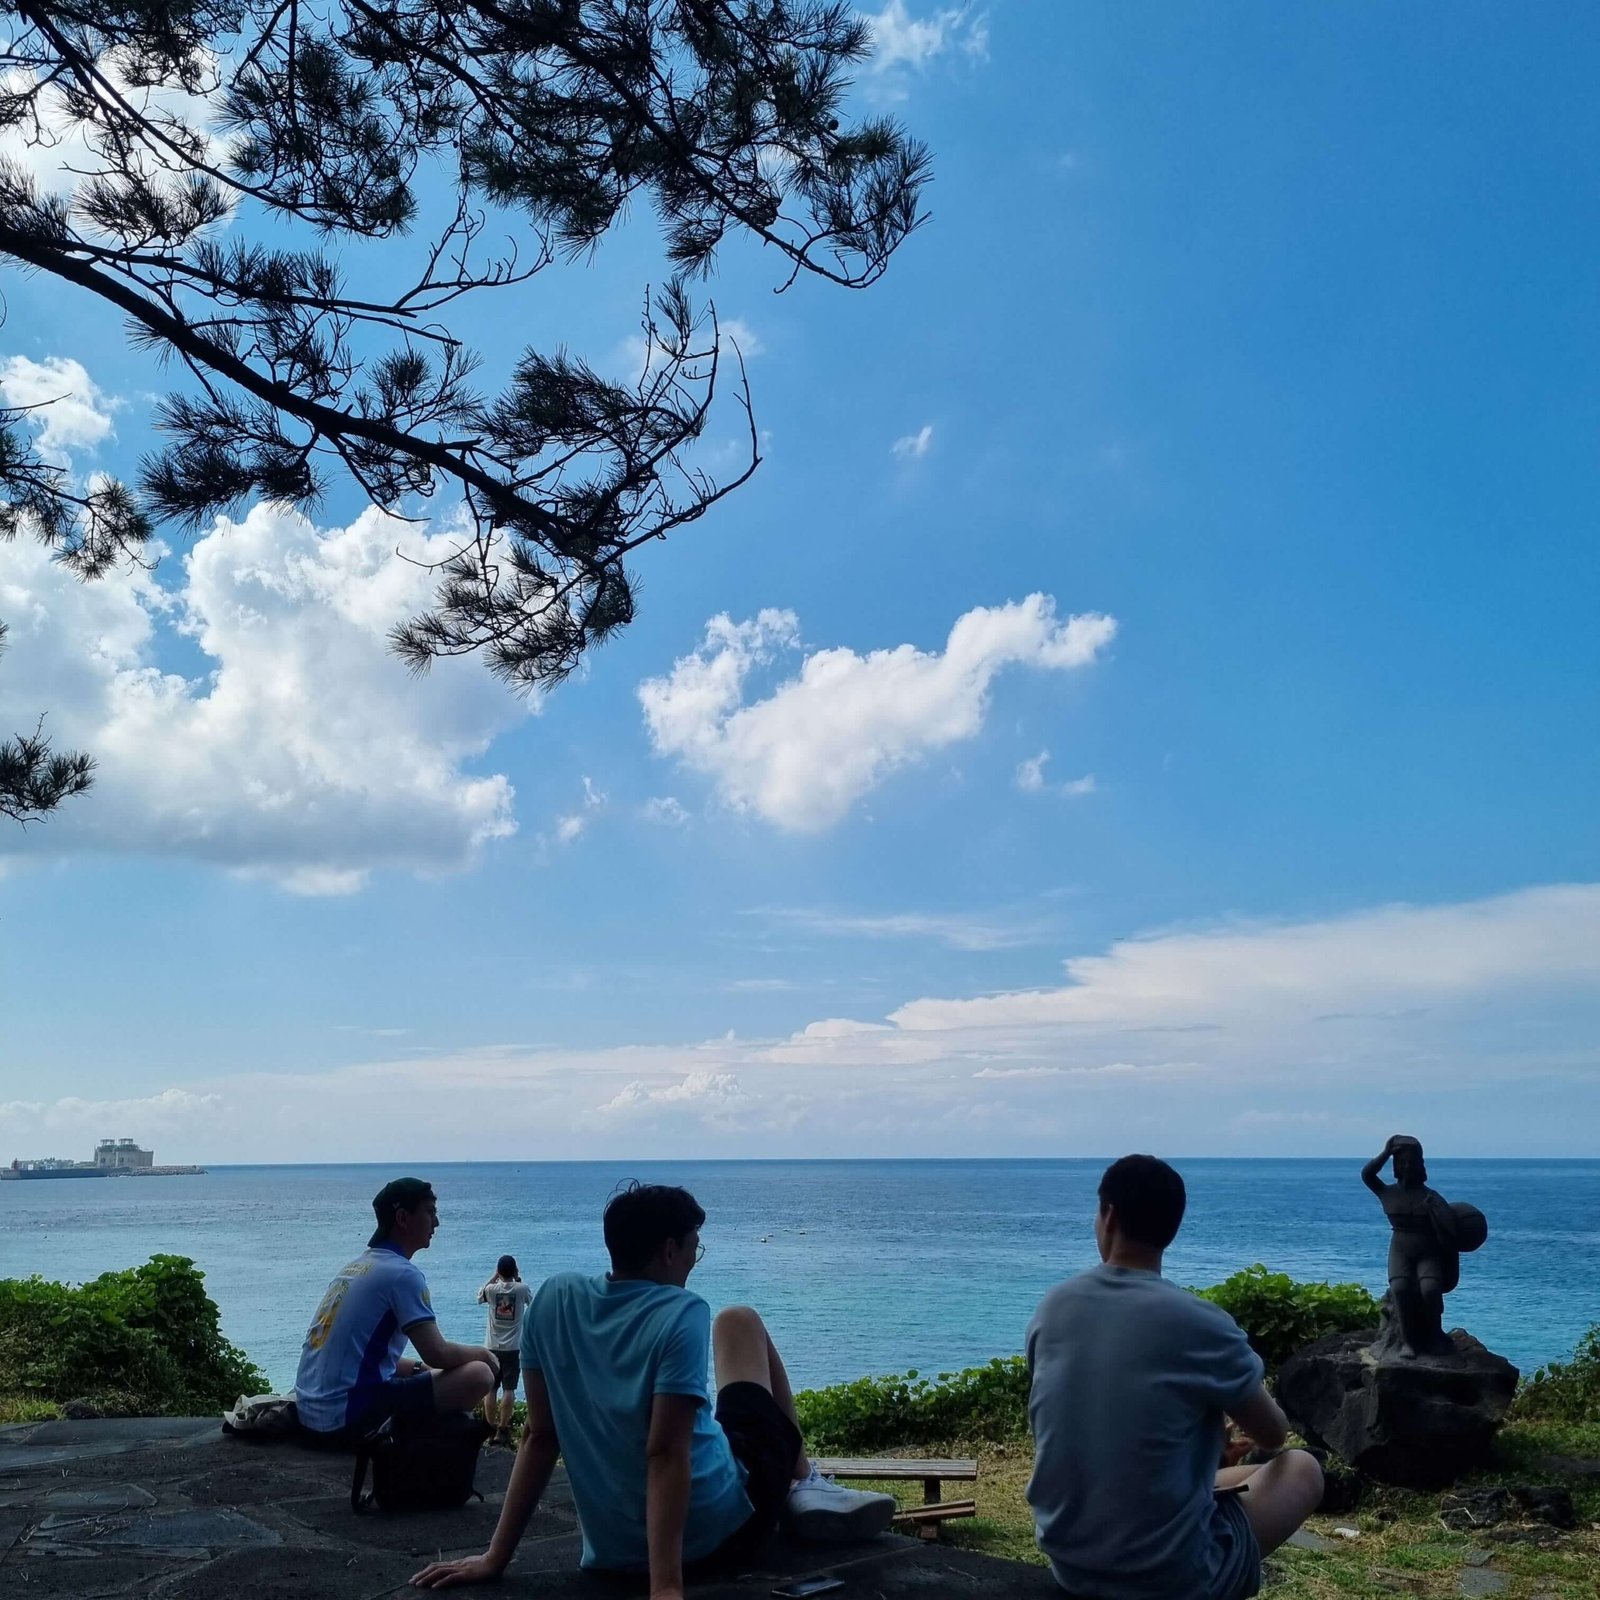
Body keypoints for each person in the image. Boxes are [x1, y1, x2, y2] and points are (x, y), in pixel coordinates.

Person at [411, 1182, 896, 1595]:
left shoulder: (555, 1298)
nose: (693, 1261)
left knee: (717, 1416)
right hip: (723, 1533)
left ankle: (803, 1481)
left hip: (613, 1553)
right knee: (739, 1319)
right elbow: (665, 1453)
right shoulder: (682, 1312)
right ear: (668, 1251)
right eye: (693, 1249)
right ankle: (803, 1482)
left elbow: (540, 1436)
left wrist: (495, 1558)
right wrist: (665, 1588)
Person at [1025, 1155, 1324, 1600]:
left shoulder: (1053, 1307)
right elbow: (1273, 1433)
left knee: (1219, 1478)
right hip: (1169, 1578)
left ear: (1109, 1216)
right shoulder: (1201, 1323)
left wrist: (1202, 1449)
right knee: (1302, 1468)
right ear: (1172, 1227)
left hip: (1069, 1561)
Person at [294, 1177, 499, 1444]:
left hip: (312, 1413)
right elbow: (437, 1353)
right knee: (479, 1373)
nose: (436, 1222)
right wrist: (485, 1355)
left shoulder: (355, 1268)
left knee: (431, 1373)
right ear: (402, 1218)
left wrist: (418, 1368)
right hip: (347, 1418)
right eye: (430, 1212)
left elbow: (362, 1356)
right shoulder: (402, 1274)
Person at [477, 1254, 532, 1444]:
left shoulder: (491, 1290)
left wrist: (494, 1277)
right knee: (509, 1389)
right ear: (515, 1270)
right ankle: (503, 1429)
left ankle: (489, 1428)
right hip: (513, 1348)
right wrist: (518, 1279)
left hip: (491, 1347)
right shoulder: (521, 1289)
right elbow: (531, 1303)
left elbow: (480, 1296)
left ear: (499, 1271)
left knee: (491, 1389)